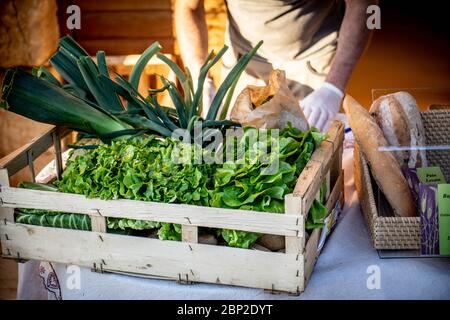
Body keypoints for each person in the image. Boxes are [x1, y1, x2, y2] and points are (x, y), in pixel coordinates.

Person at [175, 0, 375, 132]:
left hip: (310, 62)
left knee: (308, 154)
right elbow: (188, 7)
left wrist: (333, 88)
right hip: (243, 60)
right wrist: (198, 76)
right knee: (235, 149)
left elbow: (367, 7)